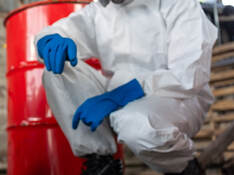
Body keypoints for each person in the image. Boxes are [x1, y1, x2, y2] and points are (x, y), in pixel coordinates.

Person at [35, 0, 217, 174]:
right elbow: (59, 30)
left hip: (173, 96)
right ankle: (101, 163)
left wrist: (124, 93)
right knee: (57, 72)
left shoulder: (177, 3)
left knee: (135, 125)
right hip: (114, 96)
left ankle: (182, 167)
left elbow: (188, 75)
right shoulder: (100, 11)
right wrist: (48, 40)